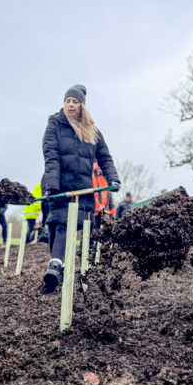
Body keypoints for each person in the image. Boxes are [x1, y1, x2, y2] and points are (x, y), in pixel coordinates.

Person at [42, 84, 120, 293]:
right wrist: (52, 186)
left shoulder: (92, 131)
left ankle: (62, 266)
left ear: (82, 106)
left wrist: (113, 179)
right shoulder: (55, 125)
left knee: (75, 228)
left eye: (75, 101)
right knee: (57, 227)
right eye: (67, 101)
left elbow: (105, 157)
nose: (70, 105)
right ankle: (57, 265)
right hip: (59, 187)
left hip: (84, 190)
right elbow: (51, 157)